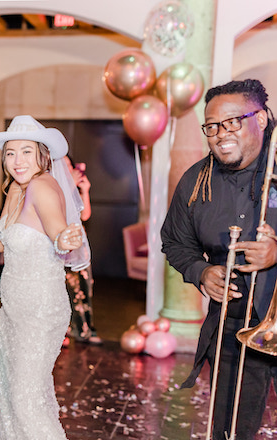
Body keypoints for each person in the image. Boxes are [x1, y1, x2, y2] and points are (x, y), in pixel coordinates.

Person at [161, 79, 277, 440]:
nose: (220, 133)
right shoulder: (196, 181)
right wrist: (201, 271)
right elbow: (175, 242)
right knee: (227, 429)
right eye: (212, 126)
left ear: (260, 118)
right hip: (232, 322)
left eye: (233, 121)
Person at [0, 115, 90, 439]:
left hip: (39, 310)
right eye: (10, 153)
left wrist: (66, 240)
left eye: (25, 152)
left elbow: (59, 234)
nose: (16, 161)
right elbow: (3, 245)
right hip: (12, 311)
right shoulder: (14, 190)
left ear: (42, 155)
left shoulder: (41, 186)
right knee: (12, 393)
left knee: (25, 398)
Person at [63, 155, 102, 346]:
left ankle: (86, 328)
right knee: (64, 290)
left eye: (69, 163)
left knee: (84, 287)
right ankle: (64, 330)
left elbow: (85, 214)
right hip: (60, 245)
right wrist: (69, 183)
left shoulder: (73, 186)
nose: (68, 167)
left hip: (78, 245)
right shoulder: (53, 186)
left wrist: (85, 190)